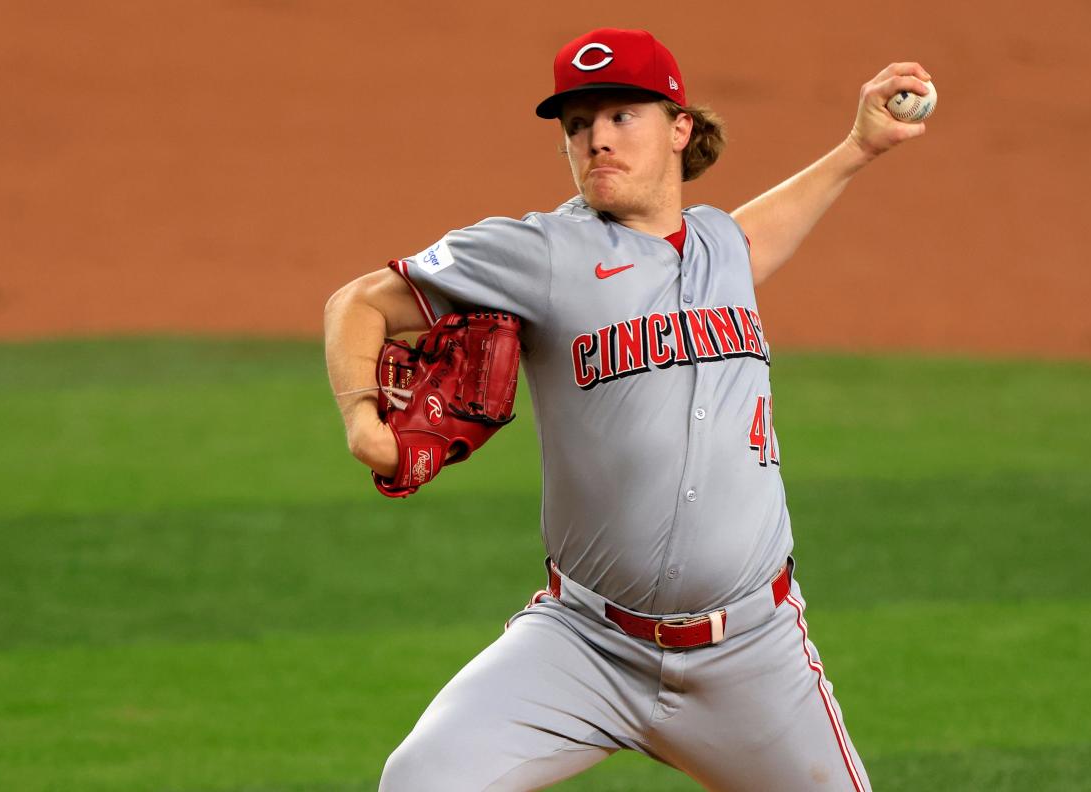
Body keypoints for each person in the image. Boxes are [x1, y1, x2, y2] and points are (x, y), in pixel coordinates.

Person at [324, 27, 930, 791]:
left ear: (680, 128)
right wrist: (363, 423)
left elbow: (757, 230)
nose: (595, 140)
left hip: (753, 656)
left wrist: (859, 147)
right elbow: (356, 303)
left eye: (620, 116)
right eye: (577, 125)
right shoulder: (539, 252)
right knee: (420, 780)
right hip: (585, 645)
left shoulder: (720, 249)